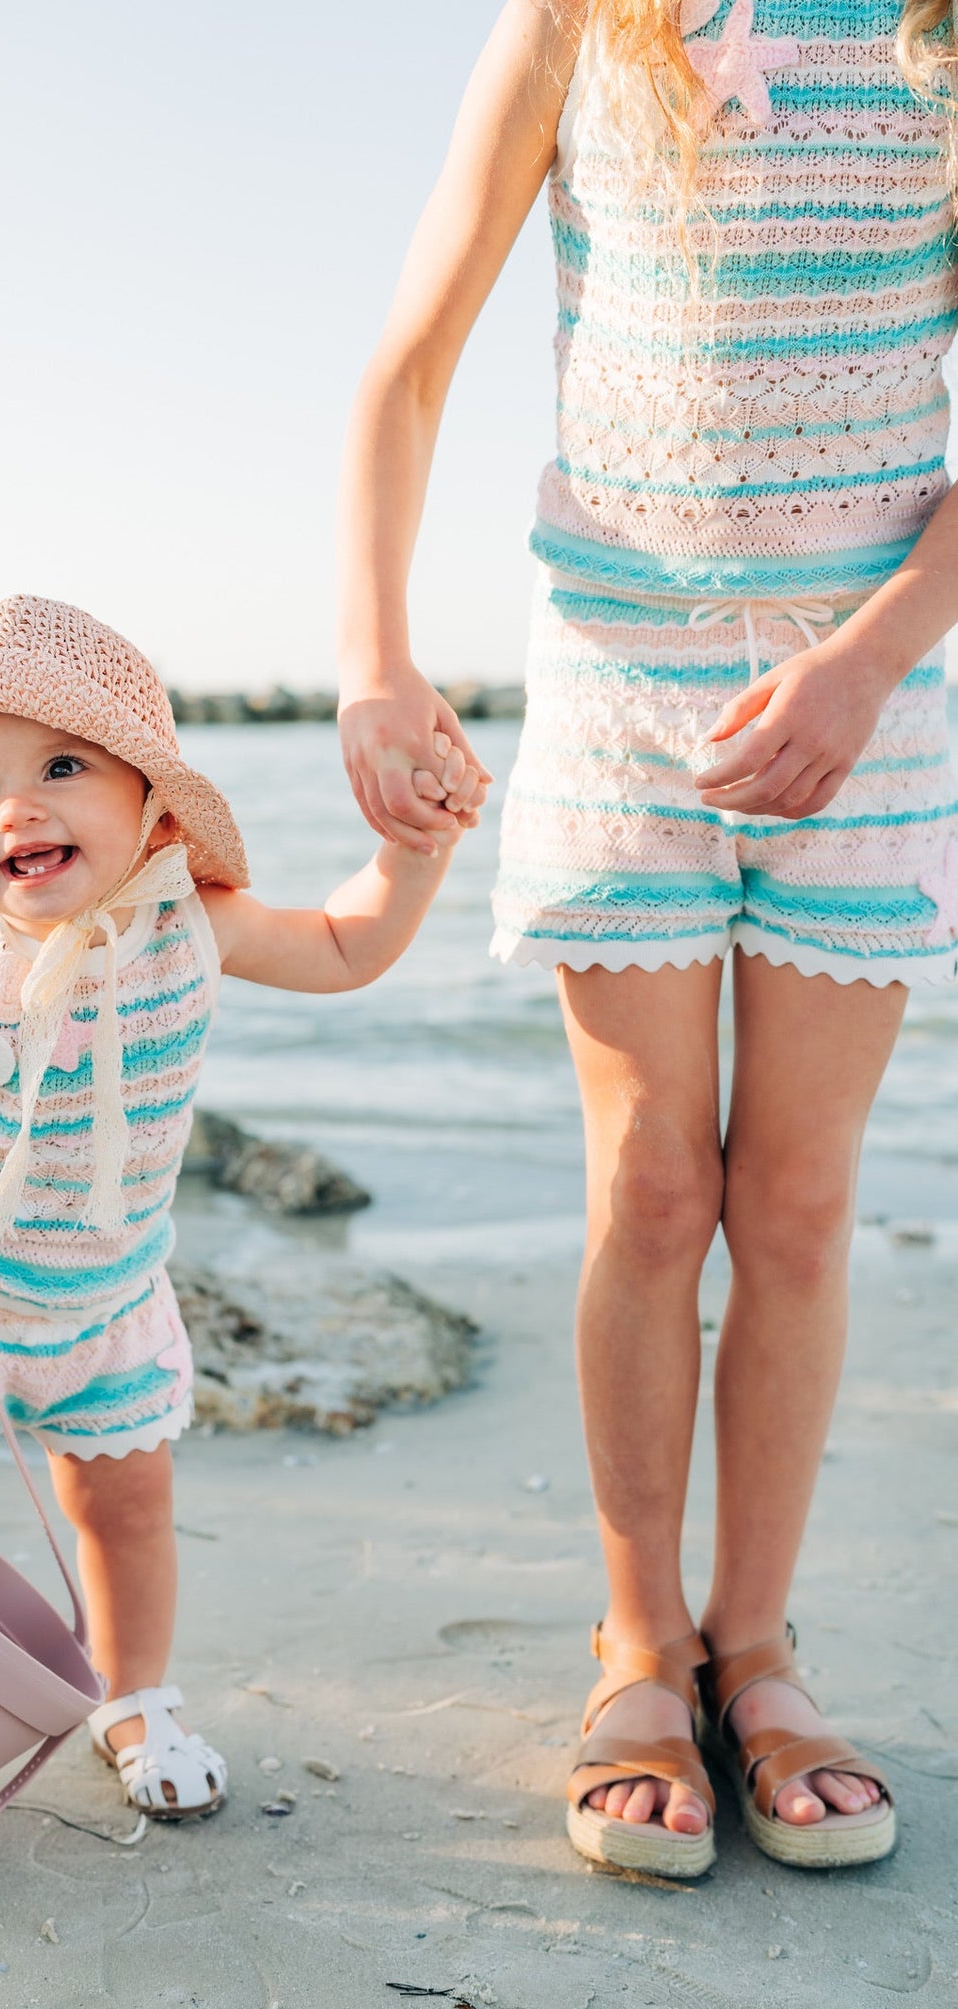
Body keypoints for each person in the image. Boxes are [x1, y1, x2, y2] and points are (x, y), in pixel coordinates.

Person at [336, 0, 958, 1872]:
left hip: (870, 693)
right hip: (620, 677)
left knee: (790, 1201)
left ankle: (754, 1645)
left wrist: (862, 666)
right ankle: (638, 1639)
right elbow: (408, 367)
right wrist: (375, 661)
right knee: (653, 1188)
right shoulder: (570, 27)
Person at [0, 592, 485, 1874]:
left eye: (60, 767)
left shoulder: (194, 919)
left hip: (111, 1307)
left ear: (149, 799)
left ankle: (131, 1694)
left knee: (126, 1513)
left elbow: (346, 948)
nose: (14, 808)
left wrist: (416, 851)